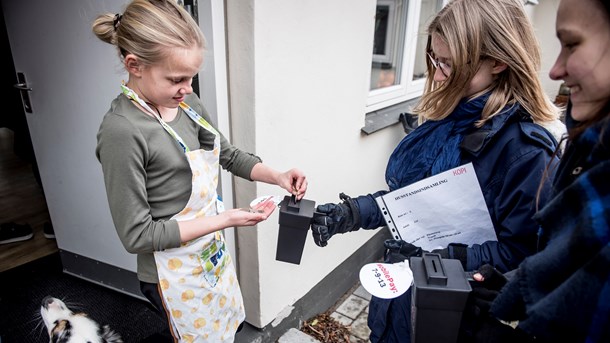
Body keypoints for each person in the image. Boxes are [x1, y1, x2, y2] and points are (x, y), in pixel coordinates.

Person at [308, 0, 565, 342]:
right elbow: (411, 201)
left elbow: (520, 251)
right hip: (398, 296)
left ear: (499, 61)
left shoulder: (525, 152)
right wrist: (351, 213)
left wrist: (448, 257)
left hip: (446, 315)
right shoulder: (449, 115)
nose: (439, 73)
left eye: (449, 63)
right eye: (435, 59)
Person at [92, 1, 307, 342]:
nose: (188, 88)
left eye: (192, 76)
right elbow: (137, 235)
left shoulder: (186, 104)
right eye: (177, 78)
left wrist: (277, 176)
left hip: (210, 254)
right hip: (169, 273)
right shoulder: (123, 132)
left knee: (225, 327)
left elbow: (230, 155)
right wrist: (226, 219)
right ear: (134, 65)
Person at [465, 0, 610, 341]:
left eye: (572, 44)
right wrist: (517, 285)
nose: (555, 70)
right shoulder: (588, 150)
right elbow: (568, 259)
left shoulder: (527, 150)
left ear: (498, 63)